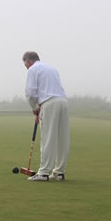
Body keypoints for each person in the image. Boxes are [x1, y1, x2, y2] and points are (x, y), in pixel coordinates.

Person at [23, 51, 69, 181]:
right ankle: (59, 172)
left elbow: (30, 93)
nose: (26, 67)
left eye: (25, 64)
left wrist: (34, 108)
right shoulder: (52, 69)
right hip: (63, 102)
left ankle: (43, 173)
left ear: (29, 61)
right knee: (62, 138)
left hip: (49, 104)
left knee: (48, 138)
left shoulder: (33, 69)